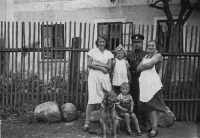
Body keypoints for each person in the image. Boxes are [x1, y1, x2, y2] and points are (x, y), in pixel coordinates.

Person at [83, 35, 114, 131]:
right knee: (92, 98)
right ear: (97, 42)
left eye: (103, 42)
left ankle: (104, 122)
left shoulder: (109, 53)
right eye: (100, 42)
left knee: (105, 99)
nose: (102, 43)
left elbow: (109, 67)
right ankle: (87, 123)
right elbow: (88, 64)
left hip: (104, 77)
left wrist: (96, 63)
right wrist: (101, 68)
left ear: (106, 43)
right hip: (94, 76)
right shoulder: (92, 51)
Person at [137, 40, 168, 137]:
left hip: (153, 83)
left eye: (152, 45)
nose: (150, 47)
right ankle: (152, 125)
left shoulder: (158, 55)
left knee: (153, 104)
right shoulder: (146, 56)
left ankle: (155, 128)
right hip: (145, 83)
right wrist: (143, 66)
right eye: (149, 45)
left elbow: (150, 65)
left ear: (156, 47)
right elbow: (137, 68)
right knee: (148, 105)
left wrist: (143, 66)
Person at [126, 34, 147, 113]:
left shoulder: (146, 54)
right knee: (134, 97)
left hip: (143, 78)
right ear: (133, 44)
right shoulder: (129, 55)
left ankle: (145, 119)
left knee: (144, 98)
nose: (137, 44)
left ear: (142, 43)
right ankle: (135, 117)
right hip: (133, 79)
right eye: (135, 42)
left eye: (139, 42)